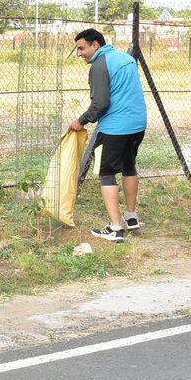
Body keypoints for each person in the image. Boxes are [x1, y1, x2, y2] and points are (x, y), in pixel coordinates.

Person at [68, 28, 148, 242]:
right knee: (129, 167)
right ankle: (131, 217)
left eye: (82, 48)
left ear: (95, 45)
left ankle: (115, 228)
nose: (80, 54)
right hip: (137, 124)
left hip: (114, 128)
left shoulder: (99, 65)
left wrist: (81, 120)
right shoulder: (126, 58)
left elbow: (101, 103)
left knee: (106, 173)